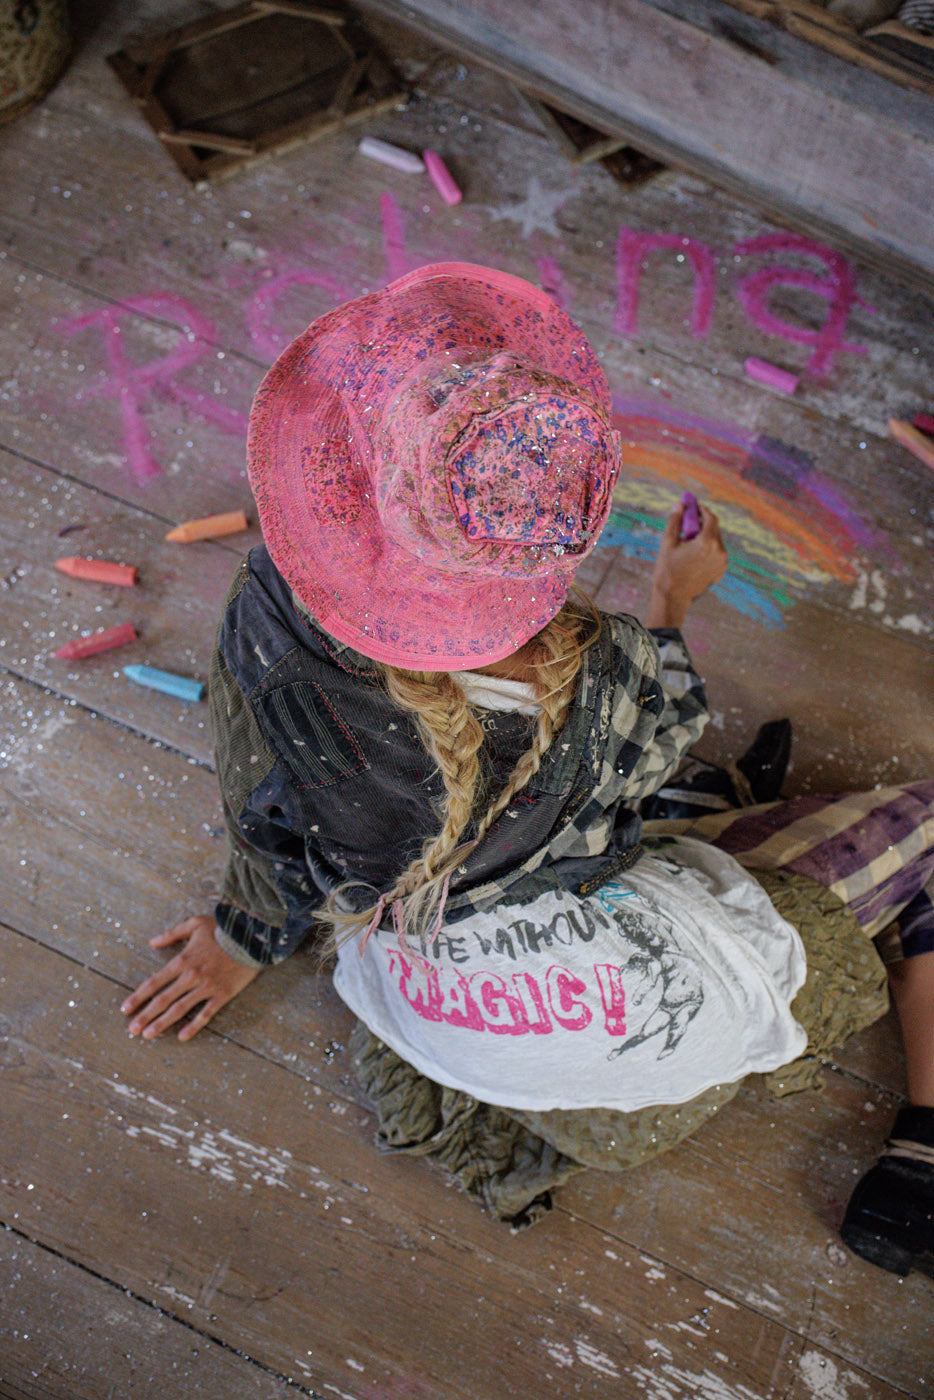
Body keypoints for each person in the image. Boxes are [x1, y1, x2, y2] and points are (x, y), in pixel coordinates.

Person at [119, 262, 934, 1275]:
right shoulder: (606, 679)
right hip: (607, 1016)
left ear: (352, 489)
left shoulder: (275, 622)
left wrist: (246, 935)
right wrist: (672, 599)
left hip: (428, 1008)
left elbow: (263, 813)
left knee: (683, 813)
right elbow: (667, 722)